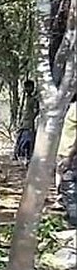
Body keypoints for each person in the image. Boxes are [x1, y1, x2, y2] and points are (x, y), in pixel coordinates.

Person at [56, 94, 77, 225]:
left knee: (69, 189)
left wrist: (69, 155)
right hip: (67, 153)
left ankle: (74, 222)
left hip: (71, 155)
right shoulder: (71, 107)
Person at [14, 80, 39, 163]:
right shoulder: (27, 98)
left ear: (32, 87)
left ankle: (28, 159)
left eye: (28, 87)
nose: (26, 89)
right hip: (24, 123)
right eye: (25, 87)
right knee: (21, 140)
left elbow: (35, 111)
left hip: (29, 125)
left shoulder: (34, 99)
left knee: (27, 142)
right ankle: (21, 157)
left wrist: (32, 121)